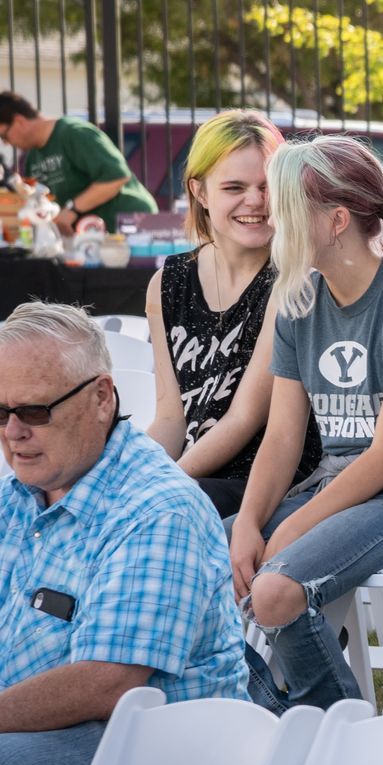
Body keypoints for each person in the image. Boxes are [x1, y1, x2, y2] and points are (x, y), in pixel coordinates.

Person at [0, 302, 249, 765]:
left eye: (34, 410)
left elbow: (108, 683)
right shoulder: (12, 492)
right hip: (58, 742)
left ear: (102, 398)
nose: (13, 432)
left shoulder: (156, 508)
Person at [230, 135, 383, 713]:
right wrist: (249, 520)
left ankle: (333, 723)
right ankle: (269, 716)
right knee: (185, 566)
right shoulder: (299, 302)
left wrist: (290, 530)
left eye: (285, 207)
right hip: (338, 482)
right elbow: (283, 438)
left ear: (336, 220)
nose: (270, 218)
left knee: (276, 590)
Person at [145, 111, 321, 516]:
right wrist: (132, 474)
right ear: (200, 192)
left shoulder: (294, 281)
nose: (255, 201)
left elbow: (244, 419)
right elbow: (172, 418)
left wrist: (162, 486)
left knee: (155, 513)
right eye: (234, 187)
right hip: (194, 474)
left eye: (266, 187)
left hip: (266, 480)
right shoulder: (167, 282)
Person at [0, 91, 157, 230]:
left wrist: (72, 210)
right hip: (91, 238)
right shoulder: (32, 158)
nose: (6, 143)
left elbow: (117, 176)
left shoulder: (73, 133)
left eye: (4, 136)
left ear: (19, 121)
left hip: (133, 226)